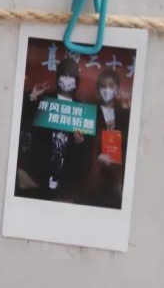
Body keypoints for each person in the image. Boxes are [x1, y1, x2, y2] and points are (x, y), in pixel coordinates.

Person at [16, 58, 92, 201]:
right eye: (64, 75)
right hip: (38, 174)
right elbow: (25, 122)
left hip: (66, 177)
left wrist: (79, 142)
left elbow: (85, 151)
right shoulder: (45, 99)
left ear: (76, 81)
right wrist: (33, 96)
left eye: (71, 76)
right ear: (58, 77)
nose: (67, 80)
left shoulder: (81, 108)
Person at [85, 69, 130, 208]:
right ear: (98, 89)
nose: (106, 90)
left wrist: (127, 109)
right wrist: (97, 156)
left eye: (111, 86)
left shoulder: (124, 113)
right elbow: (84, 142)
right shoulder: (90, 111)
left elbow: (129, 143)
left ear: (117, 89)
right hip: (95, 173)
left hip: (117, 175)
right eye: (103, 86)